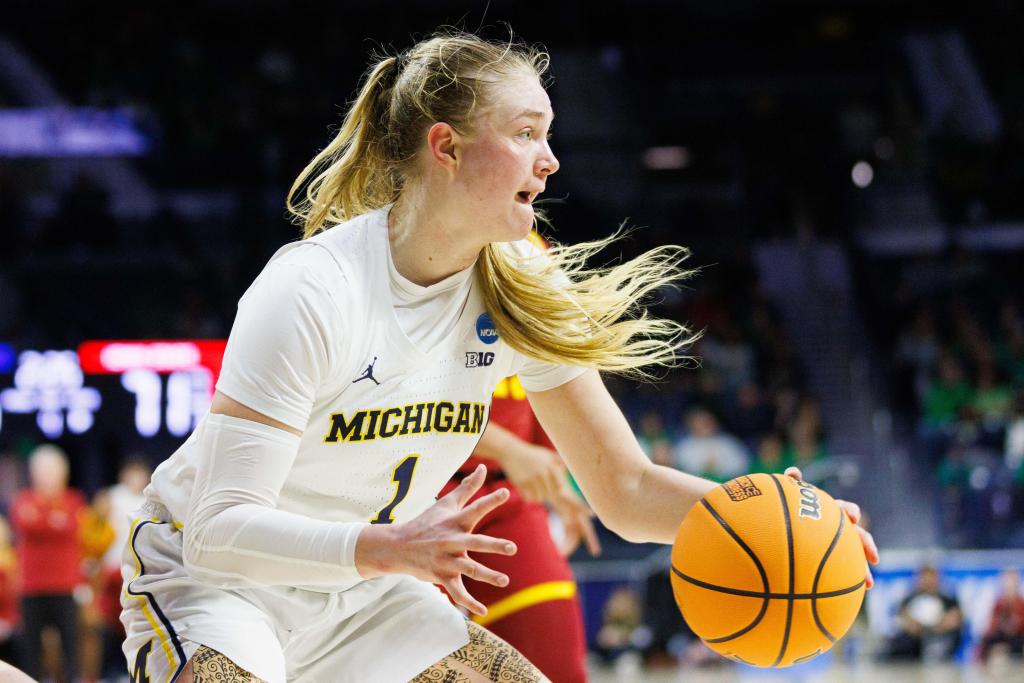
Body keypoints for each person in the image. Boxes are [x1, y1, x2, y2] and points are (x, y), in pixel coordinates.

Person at [120, 30, 877, 683]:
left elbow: (622, 482)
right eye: (525, 133)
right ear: (445, 146)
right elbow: (218, 528)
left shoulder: (519, 278)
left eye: (549, 137)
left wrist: (763, 513)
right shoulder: (313, 286)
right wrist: (385, 547)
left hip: (369, 590)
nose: (548, 161)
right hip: (221, 582)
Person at [439, 373, 599, 683]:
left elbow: (541, 394)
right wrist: (511, 450)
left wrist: (556, 483)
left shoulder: (542, 328)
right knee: (407, 656)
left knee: (556, 662)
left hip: (507, 497)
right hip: (414, 491)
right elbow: (407, 392)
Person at [10, 445, 84, 682]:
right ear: (33, 473)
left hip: (64, 585)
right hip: (31, 586)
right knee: (31, 648)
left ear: (64, 473)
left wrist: (42, 519)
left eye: (53, 470)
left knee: (71, 647)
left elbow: (71, 527)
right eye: (43, 470)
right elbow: (26, 524)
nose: (48, 476)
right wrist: (53, 521)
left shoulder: (74, 500)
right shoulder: (22, 500)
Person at [887, 565, 962, 661]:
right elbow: (902, 618)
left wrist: (938, 625)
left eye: (931, 576)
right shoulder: (910, 598)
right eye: (924, 577)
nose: (928, 580)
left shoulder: (948, 599)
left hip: (940, 637)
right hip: (914, 639)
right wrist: (912, 625)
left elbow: (955, 619)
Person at [980, 568, 1024, 661]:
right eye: (1007, 583)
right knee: (988, 640)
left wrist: (1016, 626)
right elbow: (992, 625)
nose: (1010, 586)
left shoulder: (1021, 604)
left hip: (1018, 638)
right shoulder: (999, 604)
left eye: (1012, 582)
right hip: (1002, 637)